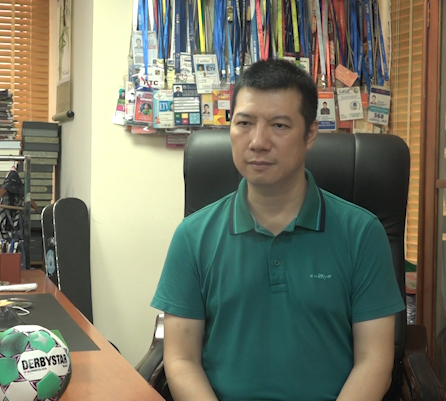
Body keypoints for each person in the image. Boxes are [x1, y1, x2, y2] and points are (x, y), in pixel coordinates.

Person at [151, 59, 404, 401]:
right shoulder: (192, 236)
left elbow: (374, 362)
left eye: (279, 125)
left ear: (310, 134)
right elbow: (181, 360)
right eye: (244, 123)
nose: (258, 141)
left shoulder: (362, 233)